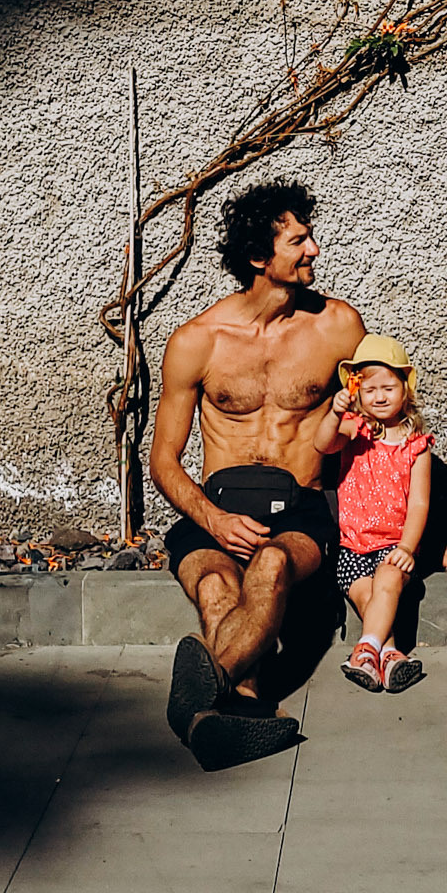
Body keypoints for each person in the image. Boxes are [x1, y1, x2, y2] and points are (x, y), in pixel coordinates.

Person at [150, 178, 365, 768]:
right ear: (257, 258)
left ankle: (199, 696)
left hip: (301, 509)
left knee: (268, 565)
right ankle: (233, 716)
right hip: (218, 505)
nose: (315, 250)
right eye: (299, 241)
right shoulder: (197, 341)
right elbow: (163, 460)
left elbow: (381, 418)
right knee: (218, 587)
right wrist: (214, 520)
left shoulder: (339, 328)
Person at [316, 334, 434, 694]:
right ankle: (391, 653)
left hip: (392, 547)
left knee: (387, 582)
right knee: (370, 597)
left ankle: (365, 651)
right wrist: (336, 413)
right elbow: (323, 444)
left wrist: (408, 548)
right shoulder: (356, 429)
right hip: (352, 547)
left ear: (405, 389)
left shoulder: (418, 446)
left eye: (388, 388)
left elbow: (419, 504)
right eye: (370, 390)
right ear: (357, 393)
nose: (379, 397)